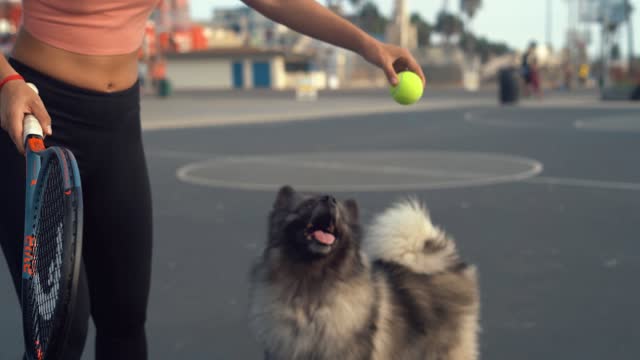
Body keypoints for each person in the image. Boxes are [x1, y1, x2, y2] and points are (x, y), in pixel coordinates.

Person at [0, 1, 425, 359]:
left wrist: (368, 45)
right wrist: (5, 82)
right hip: (34, 118)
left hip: (118, 125)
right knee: (59, 333)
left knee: (125, 319)